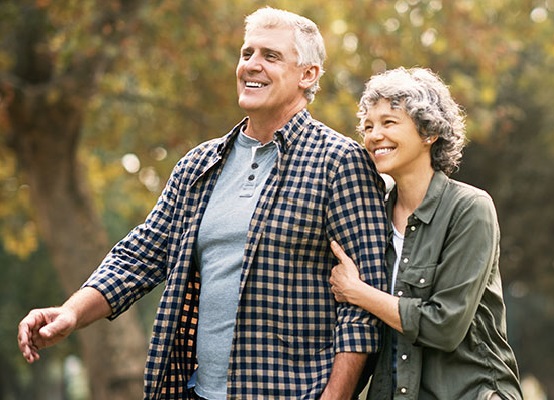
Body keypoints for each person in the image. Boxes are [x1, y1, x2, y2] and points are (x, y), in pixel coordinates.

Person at [17, 7, 388, 400]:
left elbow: (364, 301)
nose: (252, 66)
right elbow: (140, 254)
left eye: (270, 56)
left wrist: (336, 396)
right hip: (199, 392)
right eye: (247, 54)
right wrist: (71, 313)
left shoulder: (340, 162)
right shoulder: (199, 165)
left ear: (308, 74)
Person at [329, 67, 523, 400]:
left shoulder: (470, 209)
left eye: (389, 123)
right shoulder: (371, 217)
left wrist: (357, 291)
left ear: (428, 132)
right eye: (368, 126)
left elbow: (444, 326)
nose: (374, 136)